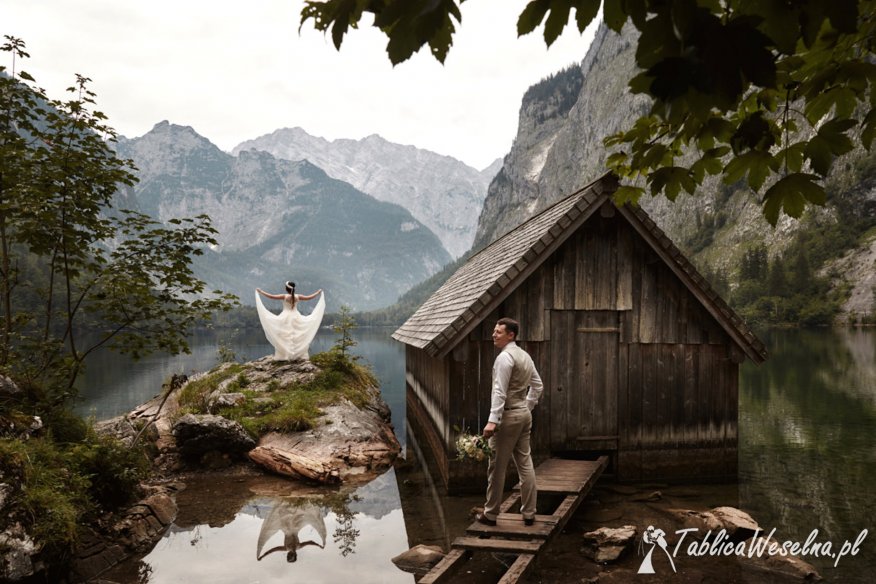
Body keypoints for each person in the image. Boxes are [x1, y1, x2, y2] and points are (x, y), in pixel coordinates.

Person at [476, 317, 544, 528]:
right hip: (523, 415)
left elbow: (499, 391)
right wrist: (527, 406)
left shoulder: (505, 358)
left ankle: (491, 514)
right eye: (494, 331)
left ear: (510, 335)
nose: (493, 335)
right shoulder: (525, 356)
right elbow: (538, 386)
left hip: (507, 418)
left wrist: (492, 421)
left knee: (497, 467)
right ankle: (530, 513)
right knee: (525, 463)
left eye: (498, 332)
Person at [255, 281, 325, 361]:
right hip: (296, 316)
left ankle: (285, 355)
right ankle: (297, 355)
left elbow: (271, 297)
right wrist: (318, 292)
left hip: (285, 317)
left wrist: (261, 292)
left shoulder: (284, 296)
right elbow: (309, 297)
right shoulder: (298, 296)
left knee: (284, 336)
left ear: (286, 288)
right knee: (297, 335)